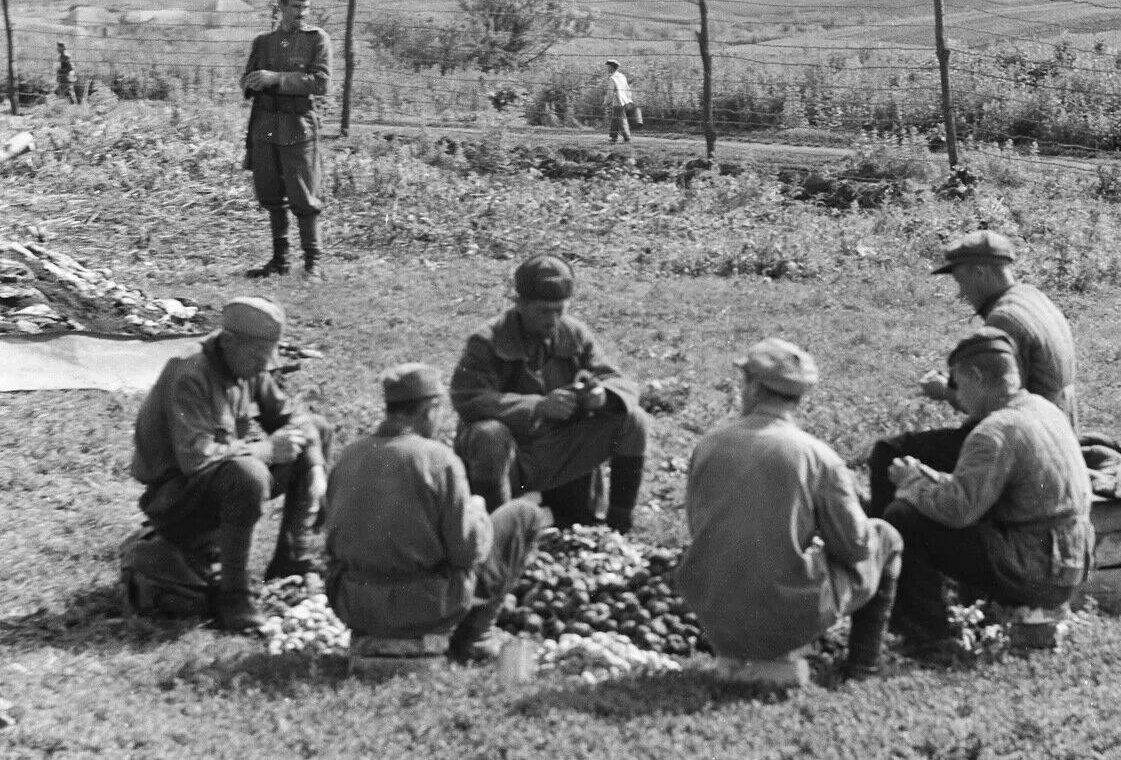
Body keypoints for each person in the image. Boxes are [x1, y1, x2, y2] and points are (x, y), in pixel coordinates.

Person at [676, 339, 903, 681]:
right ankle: (863, 665)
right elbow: (855, 547)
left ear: (752, 388)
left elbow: (699, 526)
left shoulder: (709, 444)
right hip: (782, 615)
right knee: (886, 536)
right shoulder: (818, 457)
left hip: (712, 613)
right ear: (799, 397)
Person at [882, 328, 1093, 654]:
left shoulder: (994, 431)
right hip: (1069, 564)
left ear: (977, 376)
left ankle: (929, 639)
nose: (957, 397)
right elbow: (977, 491)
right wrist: (928, 477)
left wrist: (910, 483)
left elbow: (959, 510)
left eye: (957, 384)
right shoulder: (1044, 409)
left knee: (903, 516)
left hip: (1035, 570)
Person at [325, 363, 551, 662]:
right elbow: (467, 552)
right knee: (525, 514)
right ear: (429, 410)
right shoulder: (438, 459)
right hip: (427, 607)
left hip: (356, 605)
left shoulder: (349, 456)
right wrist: (479, 516)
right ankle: (474, 637)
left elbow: (333, 544)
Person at [130, 296, 330, 630]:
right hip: (176, 501)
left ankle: (291, 561)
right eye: (257, 357)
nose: (262, 367)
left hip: (214, 482)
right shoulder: (189, 373)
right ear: (228, 342)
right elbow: (196, 457)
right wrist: (266, 451)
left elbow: (295, 418)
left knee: (316, 431)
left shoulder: (246, 363)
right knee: (248, 473)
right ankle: (234, 595)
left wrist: (316, 471)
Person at [866, 229, 1078, 517]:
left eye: (960, 280)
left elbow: (1001, 398)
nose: (961, 293)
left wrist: (946, 392)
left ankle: (885, 542)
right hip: (1057, 428)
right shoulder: (1032, 297)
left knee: (889, 453)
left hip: (1028, 441)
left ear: (980, 272)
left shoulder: (1004, 319)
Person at [449, 253, 649, 533]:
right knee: (489, 434)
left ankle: (618, 528)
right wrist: (537, 407)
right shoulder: (487, 341)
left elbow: (617, 380)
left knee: (634, 421)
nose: (553, 320)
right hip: (509, 458)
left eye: (560, 310)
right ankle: (498, 537)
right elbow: (468, 397)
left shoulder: (573, 333)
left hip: (556, 449)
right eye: (543, 311)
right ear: (520, 304)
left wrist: (602, 395)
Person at [240, 0, 332, 279]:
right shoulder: (263, 42)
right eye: (295, 7)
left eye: (305, 8)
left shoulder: (317, 40)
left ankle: (312, 264)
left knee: (304, 197)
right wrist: (251, 83)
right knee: (269, 194)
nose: (301, 13)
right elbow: (246, 79)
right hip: (265, 125)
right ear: (281, 8)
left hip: (298, 126)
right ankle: (279, 261)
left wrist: (276, 78)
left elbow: (321, 83)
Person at [603, 59, 633, 144]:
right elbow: (627, 88)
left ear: (612, 67)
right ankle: (613, 137)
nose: (607, 69)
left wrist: (606, 102)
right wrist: (629, 100)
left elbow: (610, 92)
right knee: (615, 119)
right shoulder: (622, 76)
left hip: (618, 101)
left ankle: (627, 137)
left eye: (608, 67)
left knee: (621, 119)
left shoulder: (612, 78)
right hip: (624, 100)